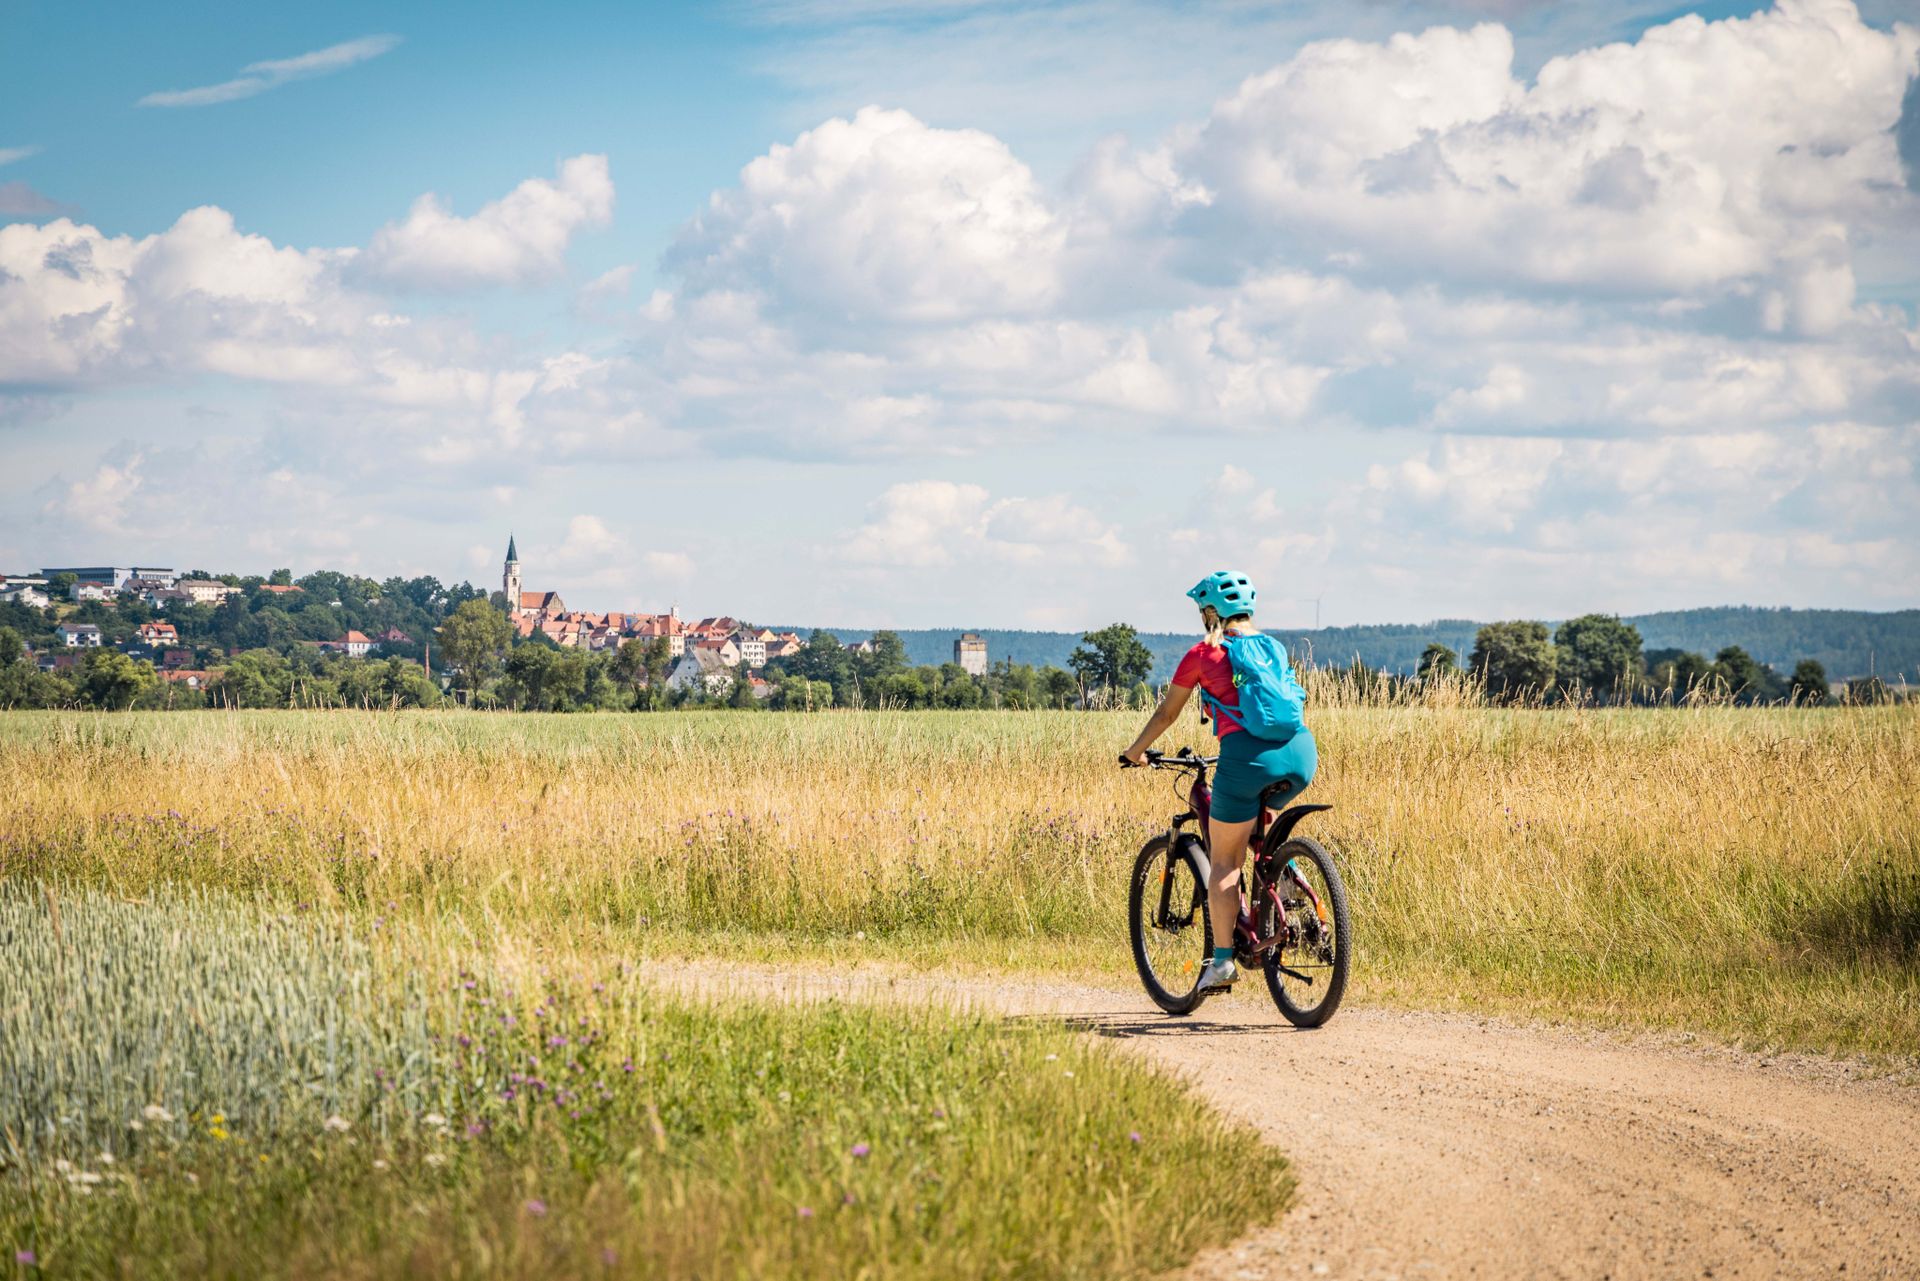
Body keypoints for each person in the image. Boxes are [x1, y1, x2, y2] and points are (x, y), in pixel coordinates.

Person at [1120, 571, 1317, 992]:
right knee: (1260, 831)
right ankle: (1288, 875)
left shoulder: (1203, 653)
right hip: (1301, 754)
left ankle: (1222, 963)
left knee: (1225, 863)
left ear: (1210, 612)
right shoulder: (1273, 647)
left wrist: (1134, 752)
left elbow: (1167, 714)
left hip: (1247, 760)